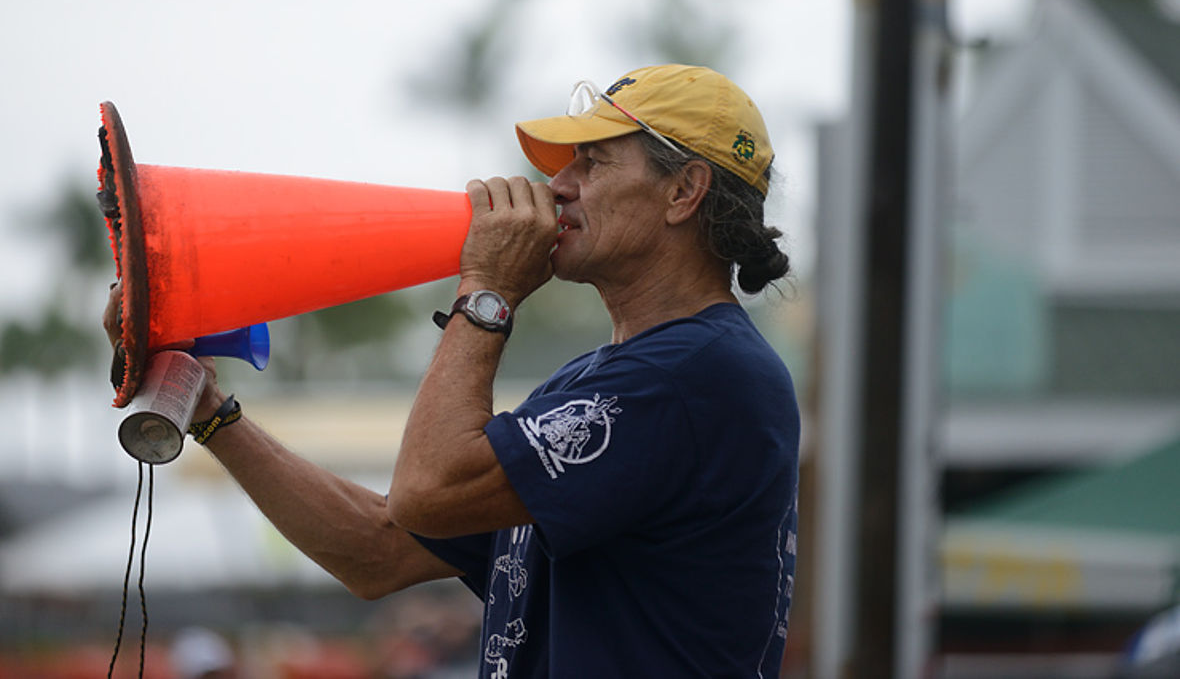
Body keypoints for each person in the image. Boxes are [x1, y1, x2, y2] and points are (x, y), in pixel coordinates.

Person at [104, 63, 801, 677]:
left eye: (593, 161)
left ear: (685, 191)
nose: (558, 185)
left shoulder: (692, 376)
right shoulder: (613, 378)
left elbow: (426, 491)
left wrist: (487, 290)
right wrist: (211, 414)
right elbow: (378, 551)